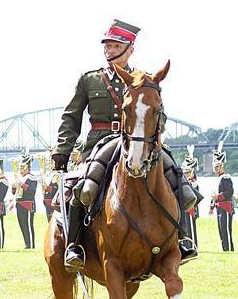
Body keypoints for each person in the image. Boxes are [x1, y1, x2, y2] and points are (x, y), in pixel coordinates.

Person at [51, 19, 198, 271]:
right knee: (82, 185)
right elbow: (71, 117)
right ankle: (74, 246)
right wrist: (62, 150)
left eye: (114, 44)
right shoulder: (90, 80)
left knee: (175, 176)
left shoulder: (144, 80)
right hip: (100, 143)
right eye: (106, 45)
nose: (108, 49)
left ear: (129, 49)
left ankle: (183, 239)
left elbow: (156, 114)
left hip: (138, 143)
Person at [210, 143, 234, 251]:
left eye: (217, 166)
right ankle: (225, 249)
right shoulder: (217, 179)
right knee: (221, 230)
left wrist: (218, 197)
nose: (215, 169)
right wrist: (211, 206)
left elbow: (229, 192)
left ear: (221, 166)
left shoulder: (226, 178)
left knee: (226, 230)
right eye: (214, 166)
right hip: (219, 207)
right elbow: (214, 195)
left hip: (226, 207)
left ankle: (229, 249)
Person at [11, 152, 37, 249]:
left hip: (28, 204)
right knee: (22, 224)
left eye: (22, 167)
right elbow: (15, 193)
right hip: (19, 203)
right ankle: (27, 244)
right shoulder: (20, 178)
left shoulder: (32, 177)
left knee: (28, 225)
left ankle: (31, 244)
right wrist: (13, 187)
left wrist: (22, 184)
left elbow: (32, 191)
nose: (20, 169)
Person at [181, 146, 201, 248]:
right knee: (186, 228)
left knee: (191, 229)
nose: (186, 174)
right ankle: (187, 245)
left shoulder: (193, 182)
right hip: (186, 208)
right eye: (185, 172)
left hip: (192, 208)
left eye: (188, 172)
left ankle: (193, 246)